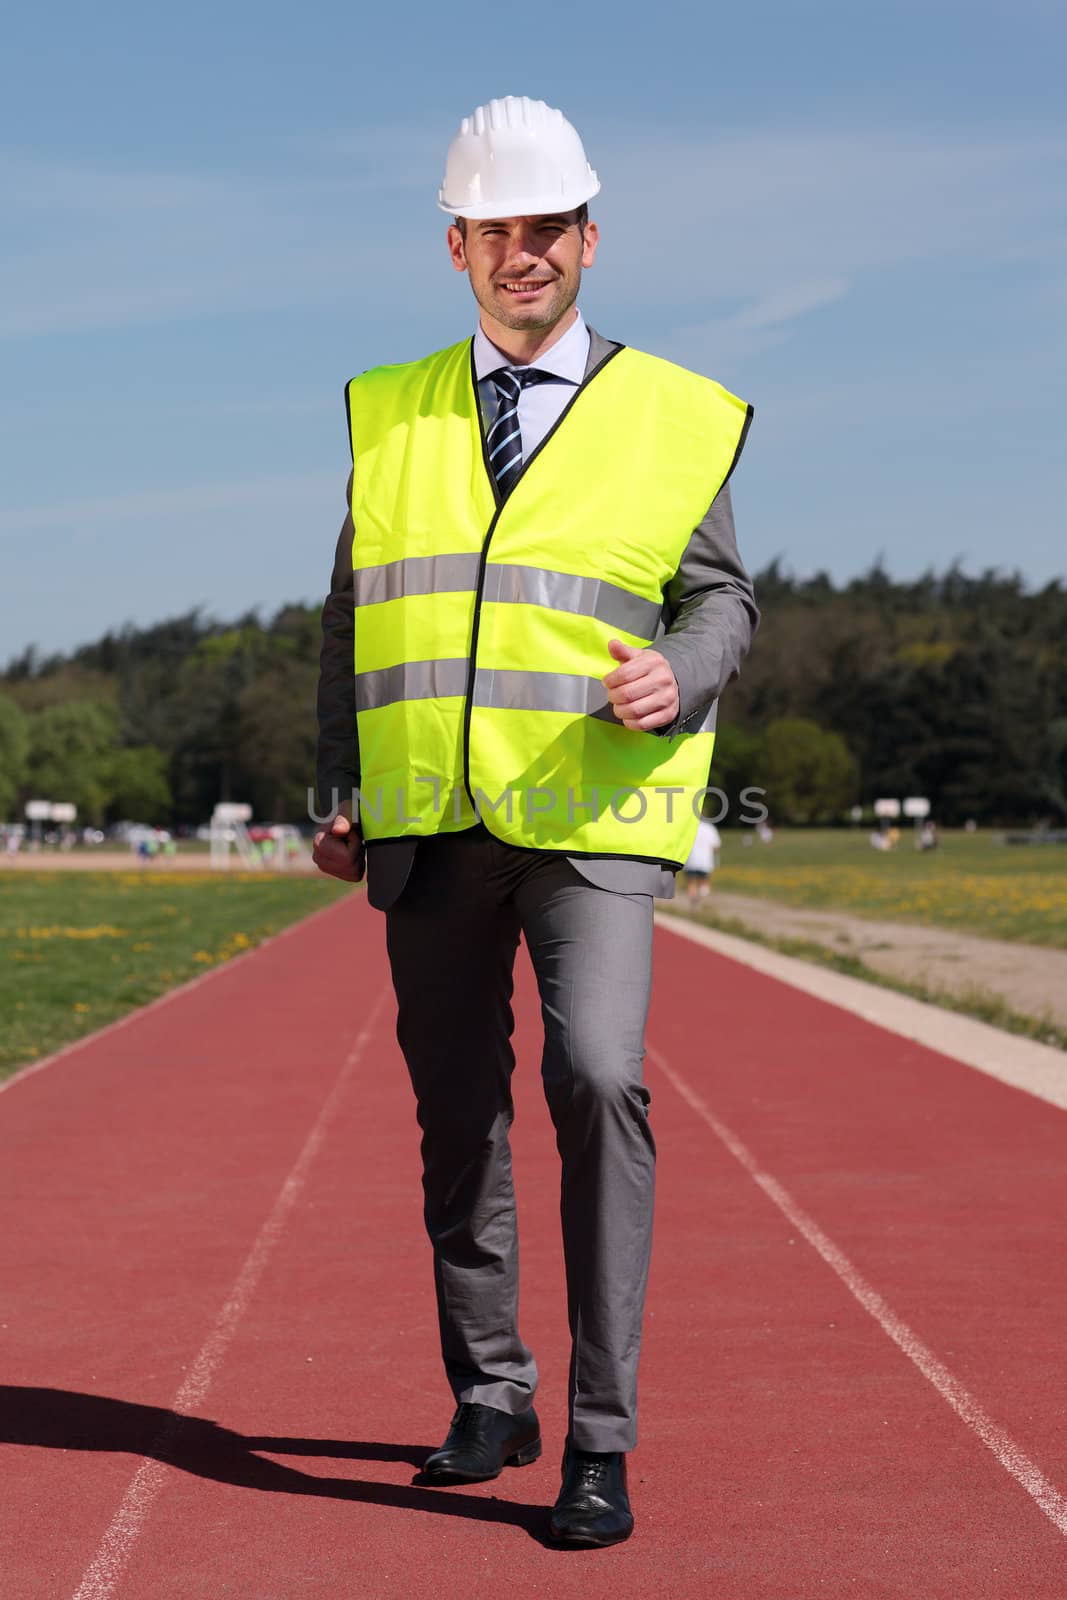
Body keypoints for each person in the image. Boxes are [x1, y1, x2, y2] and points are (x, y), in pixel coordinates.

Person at [313, 96, 758, 1549]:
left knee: (596, 1076)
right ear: (456, 246)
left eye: (546, 230)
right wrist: (341, 787)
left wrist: (678, 672)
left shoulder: (674, 415)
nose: (524, 254)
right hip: (430, 825)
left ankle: (599, 1443)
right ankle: (490, 1395)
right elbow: (351, 618)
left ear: (588, 239)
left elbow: (721, 598)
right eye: (495, 231)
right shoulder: (391, 411)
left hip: (589, 820)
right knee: (458, 1121)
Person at [683, 815, 721, 904]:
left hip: (691, 860)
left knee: (691, 882)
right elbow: (716, 847)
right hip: (705, 860)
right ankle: (701, 899)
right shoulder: (711, 829)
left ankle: (693, 900)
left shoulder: (690, 828)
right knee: (704, 881)